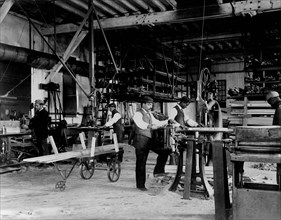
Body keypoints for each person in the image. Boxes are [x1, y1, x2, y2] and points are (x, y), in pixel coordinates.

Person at [132, 96, 171, 191]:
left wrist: (167, 121)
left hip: (149, 139)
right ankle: (140, 185)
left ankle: (158, 173)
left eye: (151, 104)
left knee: (164, 151)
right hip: (141, 139)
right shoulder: (137, 114)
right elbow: (140, 124)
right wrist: (150, 126)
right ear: (143, 104)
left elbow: (156, 122)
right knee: (141, 162)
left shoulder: (149, 113)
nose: (150, 106)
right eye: (149, 104)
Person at [266, 91, 281, 184]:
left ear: (273, 99)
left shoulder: (280, 109)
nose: (270, 105)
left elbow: (278, 129)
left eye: (270, 102)